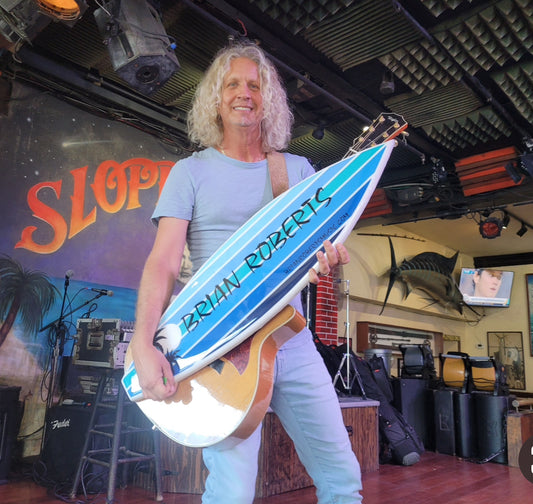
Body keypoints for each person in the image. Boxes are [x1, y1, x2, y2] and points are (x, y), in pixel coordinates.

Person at [128, 41, 363, 503]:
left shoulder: (295, 170)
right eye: (232, 84)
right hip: (222, 347)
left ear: (268, 100)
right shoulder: (189, 172)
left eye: (255, 86)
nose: (244, 93)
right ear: (215, 99)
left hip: (291, 342)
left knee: (342, 477)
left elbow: (320, 251)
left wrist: (328, 261)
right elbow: (163, 261)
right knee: (231, 492)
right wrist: (142, 342)